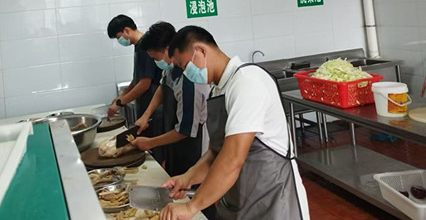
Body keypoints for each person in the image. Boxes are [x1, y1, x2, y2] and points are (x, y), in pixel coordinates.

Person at [161, 26, 310, 220]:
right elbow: (216, 153)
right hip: (240, 200)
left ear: (200, 51)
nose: (186, 74)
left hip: (273, 201)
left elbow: (232, 158)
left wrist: (192, 207)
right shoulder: (218, 90)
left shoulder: (247, 83)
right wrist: (188, 177)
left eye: (185, 66)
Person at [131, 22, 208, 177]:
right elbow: (163, 87)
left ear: (167, 49)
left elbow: (185, 130)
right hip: (174, 139)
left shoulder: (189, 79)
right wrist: (146, 115)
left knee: (190, 183)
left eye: (155, 57)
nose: (155, 62)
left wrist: (150, 143)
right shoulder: (171, 69)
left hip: (193, 146)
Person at [106, 15, 164, 157]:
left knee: (154, 149)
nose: (119, 41)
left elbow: (144, 84)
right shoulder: (138, 46)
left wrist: (120, 103)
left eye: (118, 37)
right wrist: (121, 96)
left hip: (154, 108)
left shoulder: (145, 47)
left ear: (126, 30)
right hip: (146, 105)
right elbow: (137, 79)